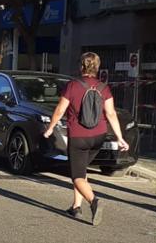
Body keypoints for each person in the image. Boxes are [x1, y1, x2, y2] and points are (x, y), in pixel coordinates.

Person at [43, 52, 129, 226]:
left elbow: (60, 110)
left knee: (77, 176)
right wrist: (120, 138)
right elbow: (111, 114)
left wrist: (51, 128)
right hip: (98, 137)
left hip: (78, 137)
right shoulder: (104, 88)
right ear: (97, 68)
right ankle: (76, 207)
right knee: (81, 171)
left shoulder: (72, 86)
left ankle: (94, 201)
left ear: (81, 66)